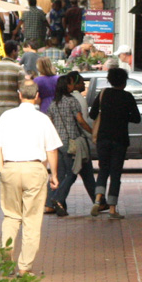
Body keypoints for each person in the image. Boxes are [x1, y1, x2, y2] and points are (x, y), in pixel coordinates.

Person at [0, 80, 60, 274]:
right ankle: (24, 267)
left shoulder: (6, 116)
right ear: (37, 96)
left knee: (11, 216)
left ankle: (7, 258)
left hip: (10, 167)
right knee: (32, 219)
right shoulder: (42, 119)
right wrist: (54, 174)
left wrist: (1, 169)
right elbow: (52, 149)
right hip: (35, 168)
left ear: (19, 94)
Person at [89, 65, 141, 218]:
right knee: (116, 173)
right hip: (120, 139)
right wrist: (124, 116)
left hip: (103, 138)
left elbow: (92, 115)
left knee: (103, 169)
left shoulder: (103, 94)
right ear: (124, 82)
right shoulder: (127, 97)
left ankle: (98, 199)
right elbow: (137, 118)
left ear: (110, 81)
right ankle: (112, 209)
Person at [44, 71, 96, 216]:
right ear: (67, 86)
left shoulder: (53, 104)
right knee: (71, 173)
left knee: (60, 173)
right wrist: (92, 132)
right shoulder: (73, 101)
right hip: (72, 142)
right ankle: (58, 199)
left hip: (57, 143)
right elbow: (80, 120)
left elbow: (50, 123)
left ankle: (50, 203)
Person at [0, 40, 26, 186]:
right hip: (13, 107)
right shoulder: (18, 68)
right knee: (14, 140)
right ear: (13, 52)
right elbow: (22, 90)